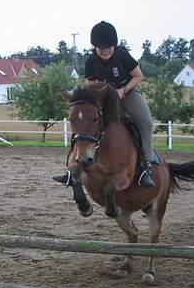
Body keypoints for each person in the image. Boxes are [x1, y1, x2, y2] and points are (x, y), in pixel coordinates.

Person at [55, 21, 155, 188]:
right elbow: (91, 85)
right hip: (103, 99)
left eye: (109, 47)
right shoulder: (90, 61)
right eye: (102, 48)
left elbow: (138, 76)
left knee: (145, 123)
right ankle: (72, 168)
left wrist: (123, 90)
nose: (106, 51)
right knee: (84, 124)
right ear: (95, 47)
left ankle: (146, 167)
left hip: (127, 95)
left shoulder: (122, 54)